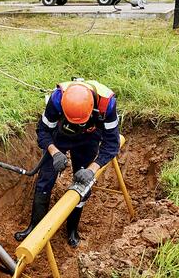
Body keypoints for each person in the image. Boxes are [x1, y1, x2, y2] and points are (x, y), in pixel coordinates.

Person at [14, 79, 120, 247]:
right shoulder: (57, 99)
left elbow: (112, 145)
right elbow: (43, 131)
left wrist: (92, 169)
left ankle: (72, 229)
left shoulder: (107, 103)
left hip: (89, 139)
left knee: (82, 185)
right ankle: (34, 227)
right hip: (60, 136)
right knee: (45, 180)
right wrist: (55, 152)